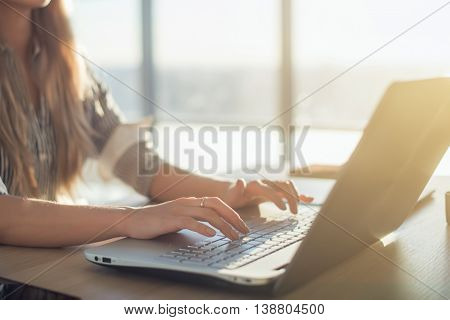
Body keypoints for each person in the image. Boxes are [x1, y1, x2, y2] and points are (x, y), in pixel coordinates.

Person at [0, 0, 312, 252]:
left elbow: (140, 165)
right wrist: (130, 220)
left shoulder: (68, 64)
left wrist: (229, 192)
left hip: (53, 273)